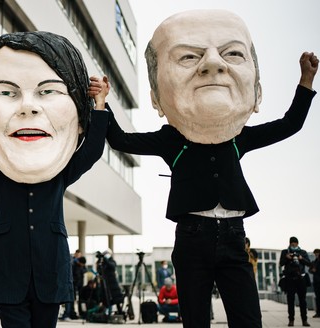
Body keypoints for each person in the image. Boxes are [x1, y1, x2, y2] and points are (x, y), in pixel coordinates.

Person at [100, 9, 317, 328]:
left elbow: (289, 124)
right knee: (195, 318)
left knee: (248, 318)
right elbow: (119, 140)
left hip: (233, 235)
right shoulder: (171, 140)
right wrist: (101, 104)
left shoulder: (237, 138)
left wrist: (306, 81)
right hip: (192, 237)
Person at [0, 31, 110, 328]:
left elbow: (92, 151)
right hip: (9, 274)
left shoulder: (59, 173)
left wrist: (100, 105)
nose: (28, 107)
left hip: (49, 274)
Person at [280, 237, 312, 327]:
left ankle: (304, 320)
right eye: (292, 244)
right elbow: (281, 263)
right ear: (290, 244)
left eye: (295, 244)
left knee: (303, 301)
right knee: (290, 301)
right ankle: (291, 320)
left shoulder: (303, 252)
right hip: (290, 279)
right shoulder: (285, 252)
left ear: (298, 244)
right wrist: (286, 258)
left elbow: (309, 264)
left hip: (301, 279)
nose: (293, 245)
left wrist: (301, 259)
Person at [96, 249, 124, 316]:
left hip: (113, 283)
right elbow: (99, 271)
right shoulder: (102, 263)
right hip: (105, 283)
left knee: (116, 298)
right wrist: (99, 261)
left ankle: (120, 312)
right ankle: (105, 313)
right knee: (105, 298)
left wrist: (105, 260)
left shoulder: (112, 261)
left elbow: (112, 266)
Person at [310, 249, 320, 318]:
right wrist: (312, 270)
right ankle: (318, 312)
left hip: (318, 280)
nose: (316, 255)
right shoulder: (314, 261)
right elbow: (310, 269)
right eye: (315, 253)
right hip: (316, 282)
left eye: (317, 253)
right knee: (318, 298)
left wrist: (315, 270)